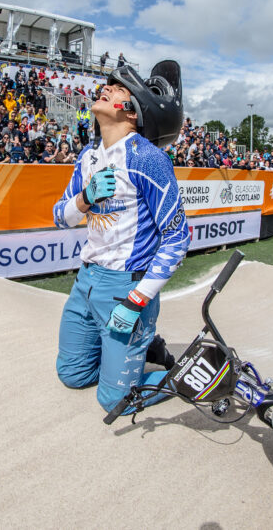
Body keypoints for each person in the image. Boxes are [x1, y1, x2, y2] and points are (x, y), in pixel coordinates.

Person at [53, 61, 190, 414]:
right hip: (86, 282)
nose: (108, 87)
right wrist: (85, 198)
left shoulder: (149, 158)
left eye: (119, 89)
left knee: (115, 400)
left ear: (132, 113)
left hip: (125, 289)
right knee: (72, 374)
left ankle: (194, 374)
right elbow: (60, 217)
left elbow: (177, 238)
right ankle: (143, 350)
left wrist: (137, 301)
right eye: (109, 85)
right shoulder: (87, 156)